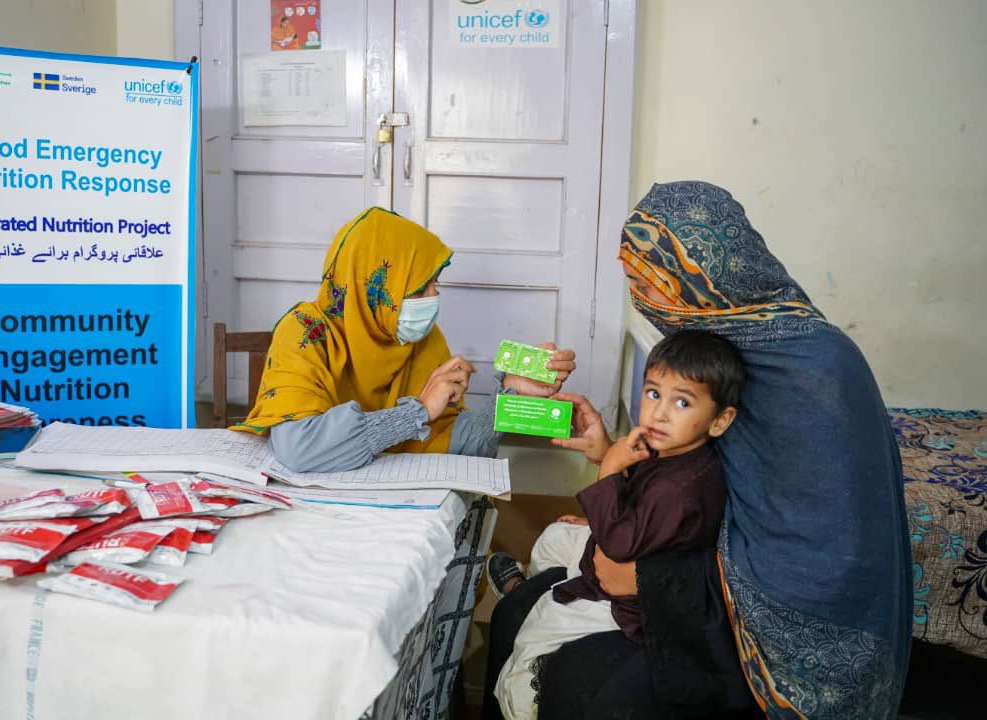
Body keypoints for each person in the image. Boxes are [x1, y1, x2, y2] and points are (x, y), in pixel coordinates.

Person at [485, 181, 911, 720]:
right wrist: (610, 457)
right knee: (528, 605)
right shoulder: (733, 345)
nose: (641, 299)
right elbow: (703, 478)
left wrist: (635, 555)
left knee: (575, 677)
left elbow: (815, 561)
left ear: (701, 273)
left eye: (649, 282)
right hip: (687, 556)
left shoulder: (813, 372)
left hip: (783, 639)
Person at [490, 330, 744, 720]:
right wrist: (606, 455)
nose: (660, 412)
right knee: (555, 537)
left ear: (719, 420)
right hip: (627, 543)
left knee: (531, 634)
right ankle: (531, 579)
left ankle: (519, 703)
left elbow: (619, 548)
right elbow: (635, 504)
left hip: (625, 601)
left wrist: (607, 473)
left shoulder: (683, 488)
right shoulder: (672, 451)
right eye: (654, 393)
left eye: (682, 402)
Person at [232, 206, 577, 472]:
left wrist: (513, 394)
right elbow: (299, 448)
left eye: (434, 283)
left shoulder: (421, 340)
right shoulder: (306, 332)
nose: (433, 296)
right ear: (375, 287)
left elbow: (462, 447)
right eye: (418, 287)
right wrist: (418, 412)